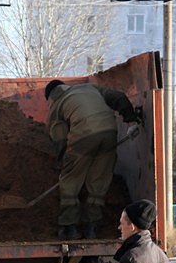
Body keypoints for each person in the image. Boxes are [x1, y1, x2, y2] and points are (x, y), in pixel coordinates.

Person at [44, 79, 141, 240]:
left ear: (50, 96)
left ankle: (70, 228)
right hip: (109, 134)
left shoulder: (57, 104)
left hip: (83, 137)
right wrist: (131, 120)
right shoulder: (91, 88)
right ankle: (91, 229)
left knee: (70, 183)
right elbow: (118, 97)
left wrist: (65, 163)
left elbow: (59, 138)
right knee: (99, 181)